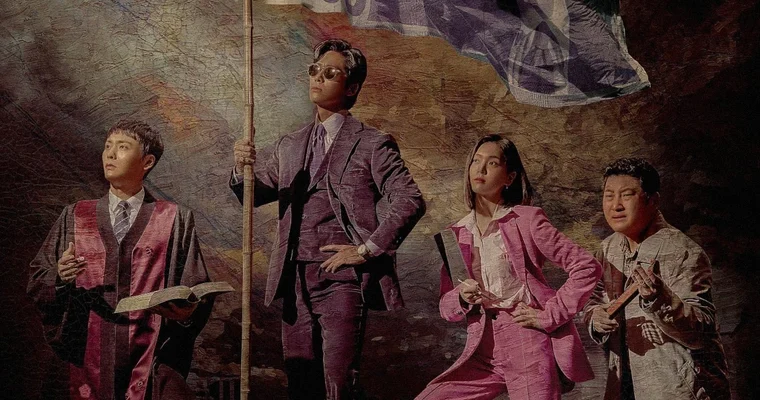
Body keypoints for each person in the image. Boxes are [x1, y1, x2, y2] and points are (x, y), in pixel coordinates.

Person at [230, 39, 425, 399]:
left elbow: (409, 200)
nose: (318, 77)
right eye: (315, 70)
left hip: (342, 280)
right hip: (294, 279)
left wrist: (365, 250)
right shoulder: (291, 144)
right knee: (300, 383)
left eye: (331, 73)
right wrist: (241, 166)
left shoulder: (372, 143)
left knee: (338, 383)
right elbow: (252, 195)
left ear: (351, 88)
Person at [27, 120, 213, 400]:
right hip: (84, 356)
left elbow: (196, 290)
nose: (110, 154)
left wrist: (186, 313)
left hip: (152, 358)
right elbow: (37, 281)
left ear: (147, 161)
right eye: (107, 147)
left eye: (123, 147)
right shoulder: (76, 216)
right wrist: (60, 276)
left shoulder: (174, 218)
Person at [416, 134, 601, 400]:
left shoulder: (527, 220)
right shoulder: (455, 234)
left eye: (492, 163)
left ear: (509, 177)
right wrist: (462, 297)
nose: (480, 169)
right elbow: (447, 308)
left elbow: (586, 267)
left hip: (528, 344)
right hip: (482, 349)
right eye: (476, 161)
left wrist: (549, 316)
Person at [583, 157, 730, 400]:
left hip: (678, 388)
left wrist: (659, 299)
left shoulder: (683, 252)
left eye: (626, 195)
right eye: (609, 196)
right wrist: (595, 317)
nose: (616, 205)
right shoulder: (607, 249)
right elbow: (592, 302)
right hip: (624, 386)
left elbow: (702, 332)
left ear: (653, 200)